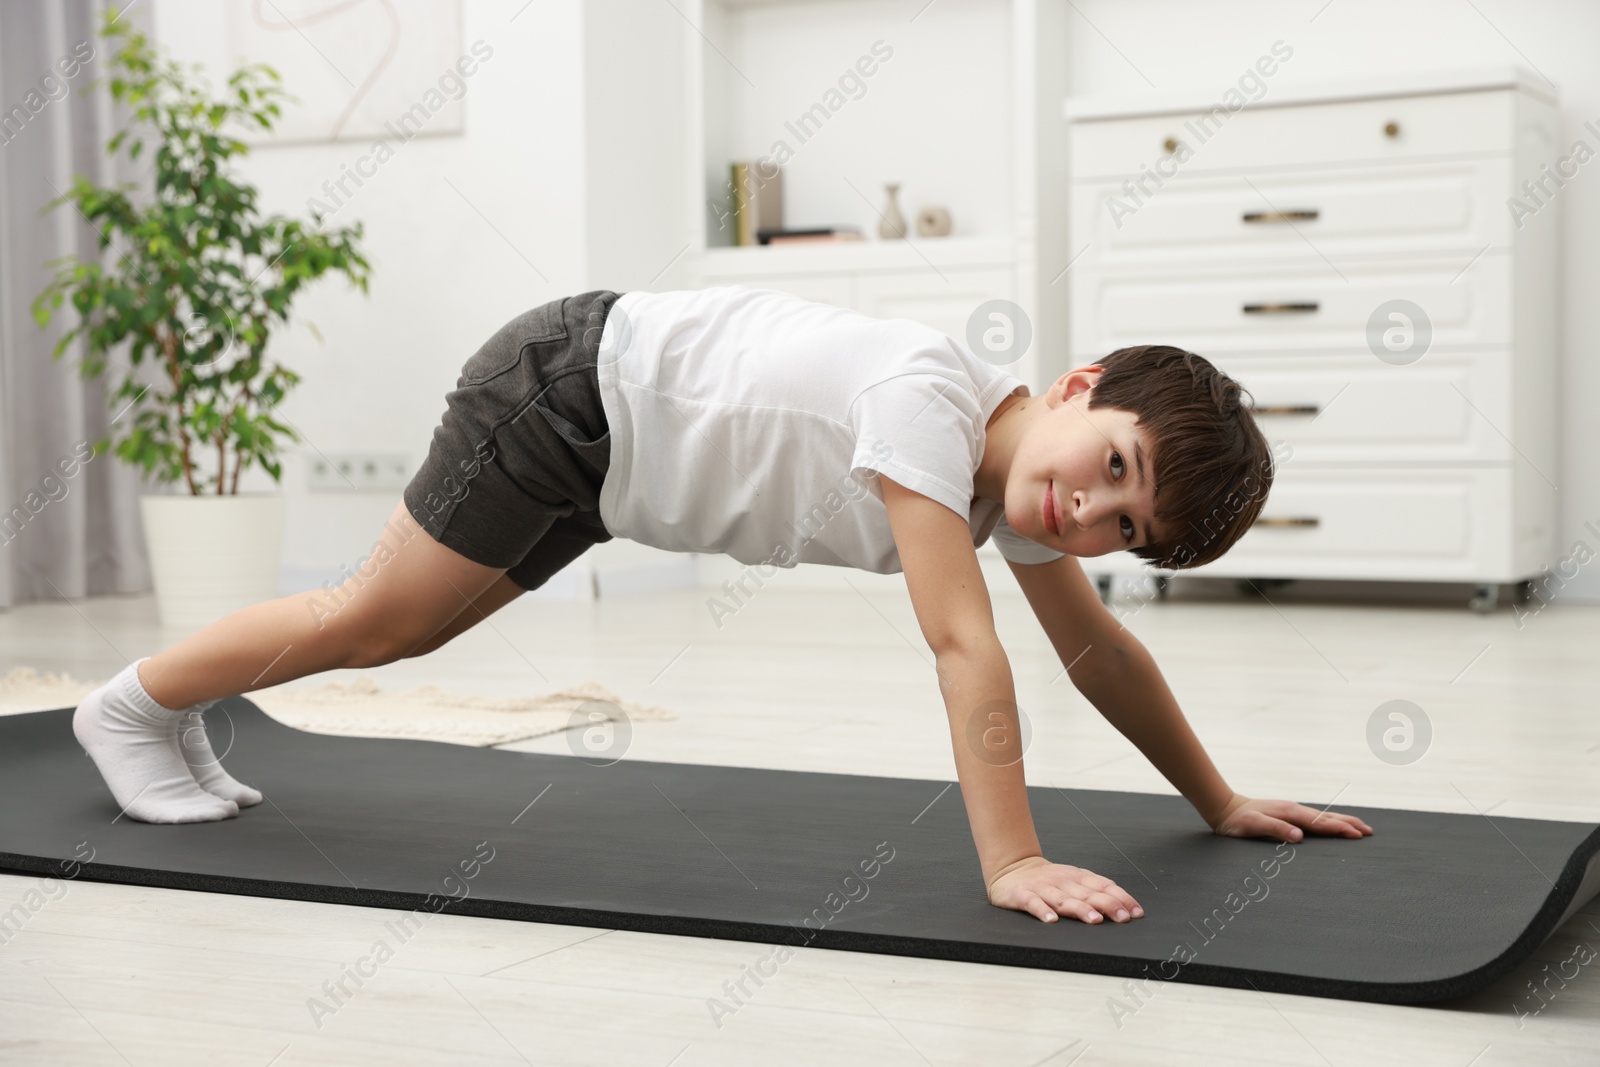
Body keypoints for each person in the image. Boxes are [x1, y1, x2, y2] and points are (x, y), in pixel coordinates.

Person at [71, 285, 1372, 925]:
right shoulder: (935, 408)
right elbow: (963, 644)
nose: (1086, 518)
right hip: (569, 393)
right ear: (1083, 386)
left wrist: (1218, 799)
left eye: (1125, 528)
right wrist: (1013, 860)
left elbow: (1097, 651)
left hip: (612, 463)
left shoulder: (1015, 484)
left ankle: (164, 716)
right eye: (1116, 470)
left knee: (398, 626)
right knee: (373, 618)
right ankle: (128, 710)